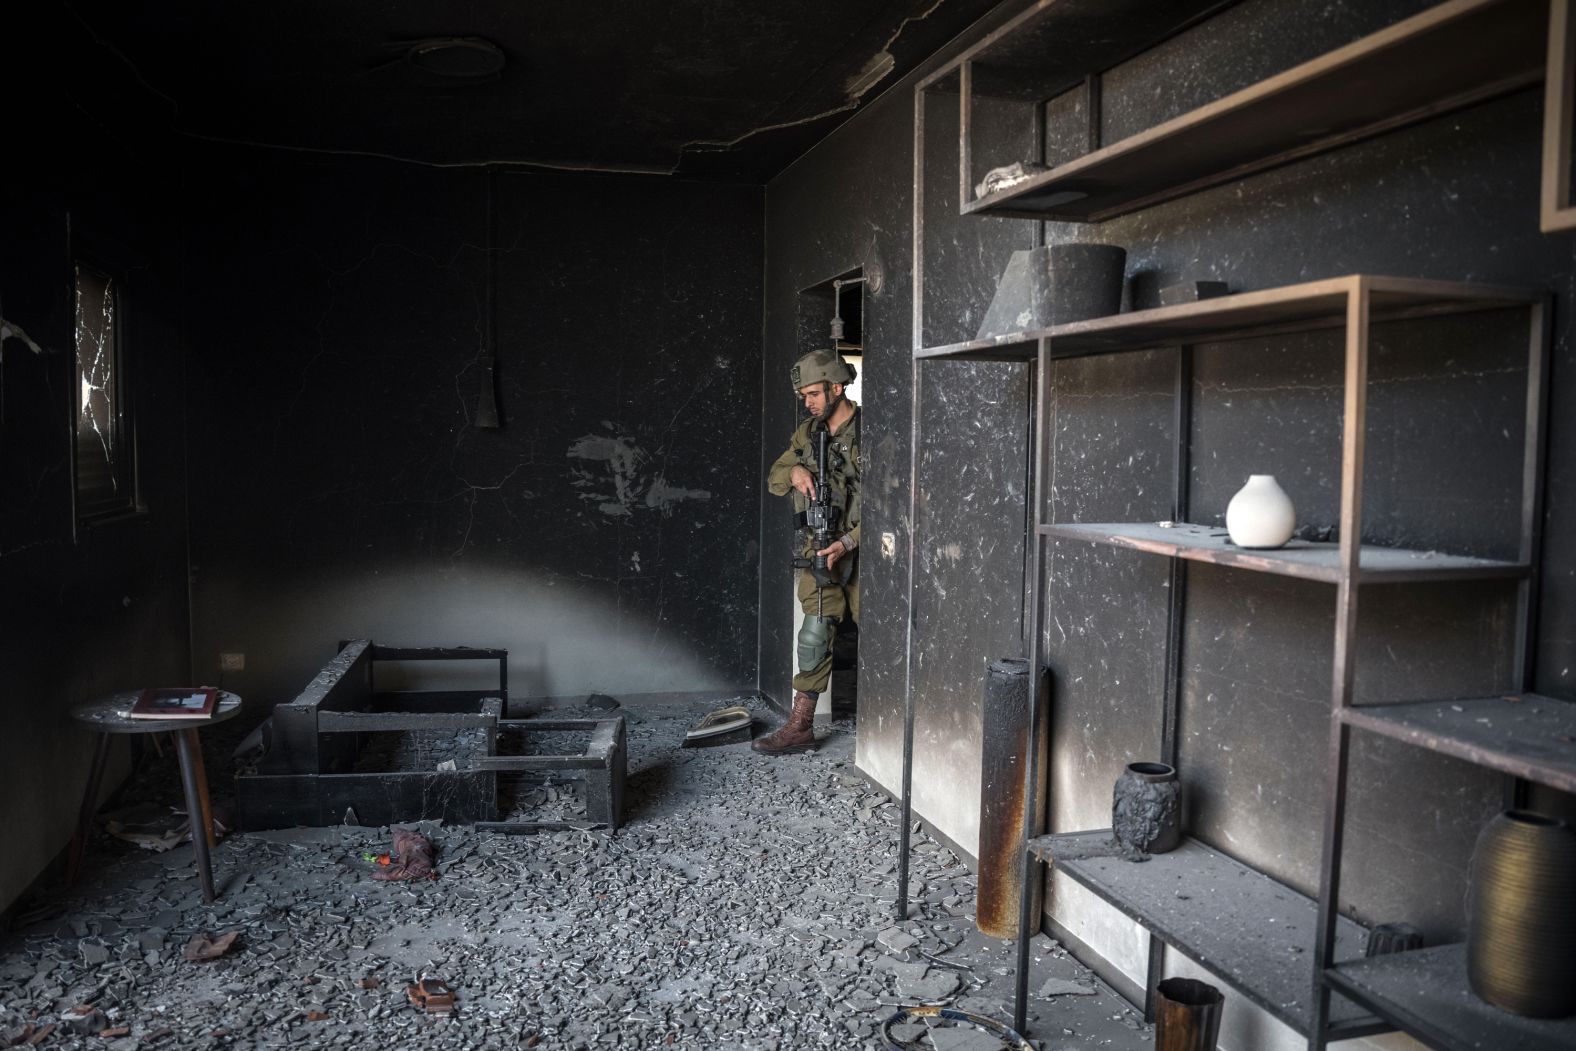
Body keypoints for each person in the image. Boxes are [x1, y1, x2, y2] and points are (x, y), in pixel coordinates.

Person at [755, 350, 860, 755]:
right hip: (820, 548)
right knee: (814, 633)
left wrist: (848, 542)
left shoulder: (870, 431)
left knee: (888, 636)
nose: (808, 402)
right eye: (804, 395)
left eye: (814, 393)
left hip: (867, 555)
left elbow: (894, 502)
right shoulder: (806, 435)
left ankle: (907, 728)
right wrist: (797, 470)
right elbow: (775, 477)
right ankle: (801, 726)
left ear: (837, 388)